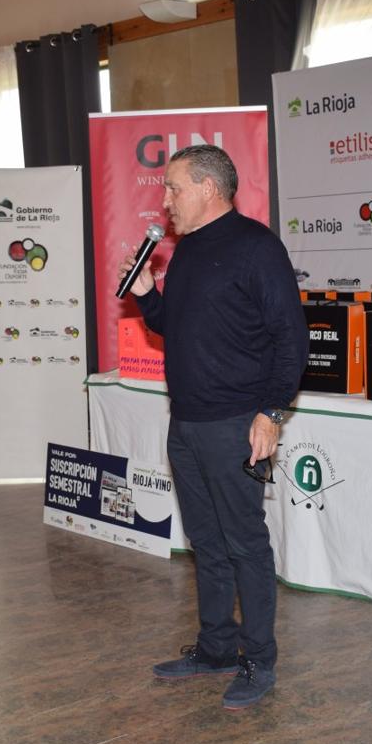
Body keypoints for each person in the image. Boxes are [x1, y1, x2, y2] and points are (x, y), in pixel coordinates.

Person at [118, 144, 308, 709]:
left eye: (174, 188)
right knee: (207, 542)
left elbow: (290, 340)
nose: (165, 199)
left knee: (245, 544)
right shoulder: (186, 252)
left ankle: (257, 660)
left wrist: (271, 413)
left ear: (207, 188)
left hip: (237, 424)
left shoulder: (256, 248)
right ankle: (217, 647)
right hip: (188, 421)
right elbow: (173, 328)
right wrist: (151, 296)